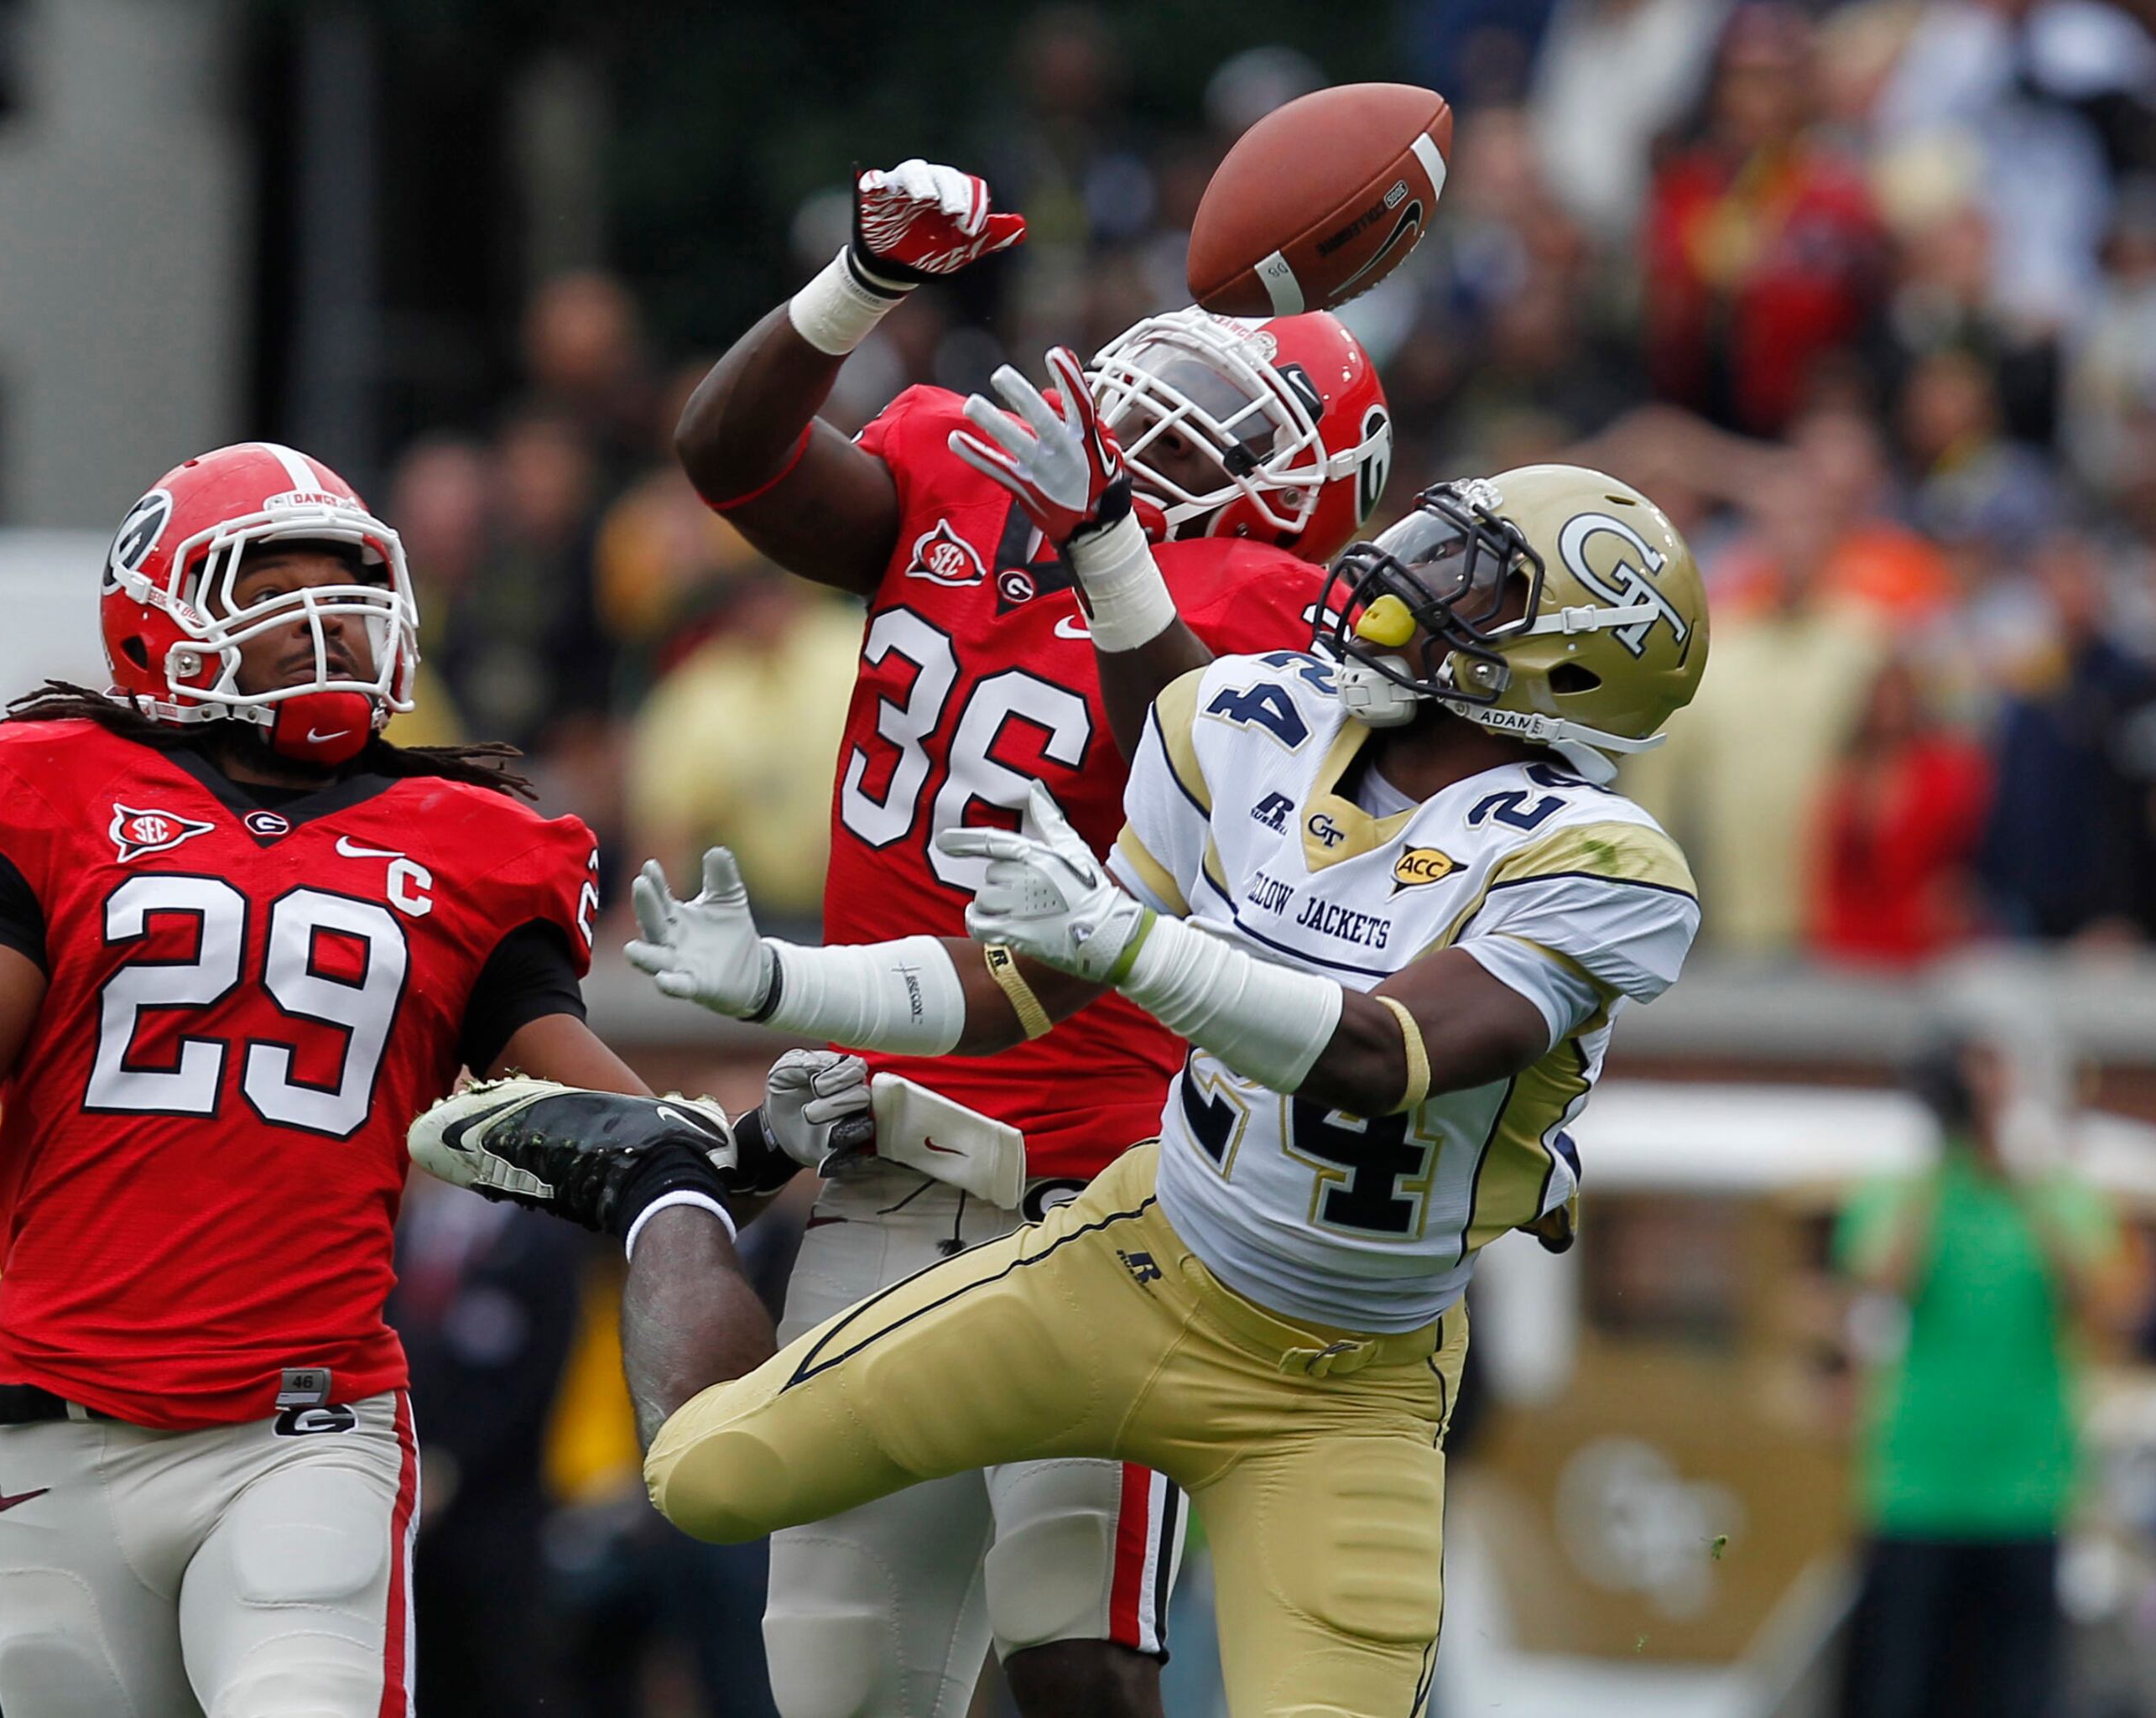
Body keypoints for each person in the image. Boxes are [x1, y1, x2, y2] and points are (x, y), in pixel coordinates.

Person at [416, 461, 1711, 1718]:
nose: (1403, 580)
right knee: (707, 1475)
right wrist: (778, 985)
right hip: (1130, 1261)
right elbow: (1026, 983)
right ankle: (671, 1185)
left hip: (1346, 1386)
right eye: (1433, 549)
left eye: (1471, 584)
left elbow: (1380, 1055)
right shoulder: (1256, 718)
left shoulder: (1597, 861)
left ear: (1573, 662)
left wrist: (1132, 942)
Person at [0, 441, 768, 1718]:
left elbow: (619, 1133)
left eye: (349, 591)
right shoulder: (55, 791)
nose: (330, 627)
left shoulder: (468, 841)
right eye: (275, 591)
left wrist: (734, 1145)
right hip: (56, 1427)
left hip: (303, 1430)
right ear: (162, 618)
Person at [670, 154, 1395, 1718]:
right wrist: (855, 284)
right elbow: (729, 457)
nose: (1168, 413)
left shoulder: (1265, 600)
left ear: (1301, 489)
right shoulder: (954, 466)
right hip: (879, 1158)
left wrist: (1109, 546)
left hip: (1099, 1189)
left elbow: (1192, 766)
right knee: (840, 1676)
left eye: (1239, 422)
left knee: (1078, 1651)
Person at [1836, 1034, 2127, 1718]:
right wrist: (1945, 1158)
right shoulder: (1902, 1193)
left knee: (2017, 1691)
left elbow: (2106, 1305)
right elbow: (1881, 1282)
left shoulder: (2057, 1198)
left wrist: (2023, 1179)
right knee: (1901, 1689)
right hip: (1916, 1488)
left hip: (2027, 1487)